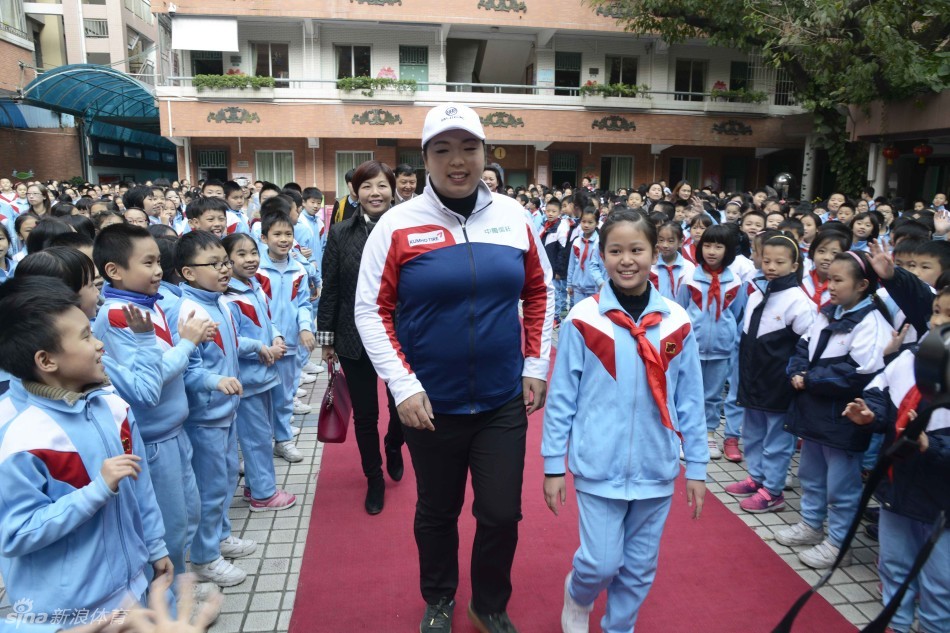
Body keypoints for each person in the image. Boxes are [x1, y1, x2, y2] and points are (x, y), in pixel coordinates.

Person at [354, 103, 554, 633]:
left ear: (486, 153)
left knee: (501, 513)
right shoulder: (397, 225)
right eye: (442, 150)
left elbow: (540, 291)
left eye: (468, 148)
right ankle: (439, 597)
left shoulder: (515, 217)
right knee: (438, 512)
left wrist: (536, 362)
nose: (457, 161)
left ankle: (488, 604)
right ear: (424, 159)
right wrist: (402, 384)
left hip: (501, 399)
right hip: (430, 404)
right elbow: (369, 310)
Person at [543, 209, 707, 633]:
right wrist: (552, 464)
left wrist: (699, 466)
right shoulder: (584, 318)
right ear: (602, 255)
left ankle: (619, 628)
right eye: (616, 250)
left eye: (637, 249)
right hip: (599, 465)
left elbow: (690, 400)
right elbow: (562, 399)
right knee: (600, 562)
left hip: (656, 467)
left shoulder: (677, 321)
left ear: (656, 254)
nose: (627, 259)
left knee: (638, 568)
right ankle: (578, 595)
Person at [0, 277, 171, 616]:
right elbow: (16, 534)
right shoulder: (25, 438)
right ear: (46, 361)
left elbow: (142, 489)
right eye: (86, 337)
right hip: (71, 610)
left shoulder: (114, 408)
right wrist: (96, 491)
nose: (99, 345)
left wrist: (155, 546)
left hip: (132, 587)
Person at [92, 224, 216, 583]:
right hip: (154, 438)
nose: (158, 271)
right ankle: (168, 604)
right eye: (147, 263)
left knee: (187, 515)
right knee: (168, 529)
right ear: (114, 270)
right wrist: (188, 343)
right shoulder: (120, 315)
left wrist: (187, 343)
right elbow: (148, 387)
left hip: (172, 430)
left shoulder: (145, 304)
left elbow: (163, 364)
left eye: (159, 261)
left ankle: (177, 591)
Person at [843, 288, 950, 633]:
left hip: (942, 504)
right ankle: (896, 624)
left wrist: (930, 445)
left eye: (949, 315)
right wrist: (869, 415)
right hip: (898, 489)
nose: (939, 321)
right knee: (894, 567)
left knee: (941, 583)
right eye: (937, 311)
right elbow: (881, 395)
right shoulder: (908, 359)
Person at [782, 251, 892, 568]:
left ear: (863, 286)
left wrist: (809, 379)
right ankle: (811, 524)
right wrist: (796, 372)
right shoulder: (828, 311)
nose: (830, 286)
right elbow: (803, 345)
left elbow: (858, 372)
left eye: (839, 280)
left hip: (842, 418)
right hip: (813, 411)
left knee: (842, 487)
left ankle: (838, 543)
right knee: (811, 474)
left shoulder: (871, 322)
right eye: (829, 279)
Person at [165, 231, 256, 588]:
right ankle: (204, 557)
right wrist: (214, 382)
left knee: (225, 478)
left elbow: (230, 345)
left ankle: (219, 535)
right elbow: (187, 368)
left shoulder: (220, 301)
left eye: (225, 262)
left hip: (225, 411)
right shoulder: (188, 311)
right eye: (215, 264)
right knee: (209, 487)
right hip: (205, 416)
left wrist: (260, 346)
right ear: (188, 273)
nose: (224, 269)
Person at [317, 160, 405, 515]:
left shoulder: (409, 229)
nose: (375, 193)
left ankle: (395, 444)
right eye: (366, 186)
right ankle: (373, 477)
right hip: (355, 337)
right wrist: (328, 338)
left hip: (403, 335)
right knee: (365, 415)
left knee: (402, 405)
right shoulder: (339, 234)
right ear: (354, 191)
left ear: (393, 189)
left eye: (381, 185)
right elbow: (332, 288)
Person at [726, 234, 814, 512]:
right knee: (752, 434)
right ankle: (757, 478)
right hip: (753, 381)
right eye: (766, 260)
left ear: (794, 264)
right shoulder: (757, 292)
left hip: (779, 385)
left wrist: (793, 376)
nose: (771, 266)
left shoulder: (799, 301)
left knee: (777, 441)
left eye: (780, 262)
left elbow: (807, 346)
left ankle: (773, 491)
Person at [221, 233, 296, 511]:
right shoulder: (228, 298)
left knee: (260, 436)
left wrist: (275, 338)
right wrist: (262, 347)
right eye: (241, 254)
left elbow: (268, 320)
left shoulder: (253, 287)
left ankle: (256, 486)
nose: (250, 259)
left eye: (253, 252)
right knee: (255, 438)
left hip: (262, 375)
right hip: (247, 379)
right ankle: (264, 495)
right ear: (226, 261)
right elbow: (230, 340)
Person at [677, 224, 745, 460]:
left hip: (721, 349)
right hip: (692, 347)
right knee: (688, 392)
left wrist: (727, 336)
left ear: (728, 250)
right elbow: (681, 310)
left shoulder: (735, 281)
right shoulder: (689, 278)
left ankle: (708, 434)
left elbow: (737, 315)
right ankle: (685, 435)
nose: (712, 251)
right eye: (707, 245)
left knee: (713, 396)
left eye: (719, 246)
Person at [256, 210, 315, 462]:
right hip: (264, 345)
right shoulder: (256, 270)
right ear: (263, 237)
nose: (283, 239)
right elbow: (258, 309)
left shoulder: (299, 270)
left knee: (284, 395)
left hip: (290, 344)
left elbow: (303, 303)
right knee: (260, 399)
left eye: (288, 234)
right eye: (277, 234)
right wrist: (274, 334)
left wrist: (304, 327)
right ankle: (259, 445)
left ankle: (282, 440)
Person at [801, 229, 850, 312]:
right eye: (821, 251)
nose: (826, 257)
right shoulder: (801, 281)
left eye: (834, 253)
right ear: (813, 253)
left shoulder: (846, 289)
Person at [541, 197, 571, 323]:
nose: (550, 213)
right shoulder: (546, 226)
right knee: (551, 293)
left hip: (555, 268)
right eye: (548, 211)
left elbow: (563, 251)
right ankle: (553, 314)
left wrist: (559, 270)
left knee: (557, 293)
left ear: (559, 213)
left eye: (554, 211)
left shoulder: (561, 227)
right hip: (547, 266)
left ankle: (556, 317)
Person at [566, 209, 605, 304]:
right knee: (579, 314)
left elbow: (602, 266)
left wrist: (602, 284)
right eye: (583, 222)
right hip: (578, 286)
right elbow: (572, 264)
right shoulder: (577, 242)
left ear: (596, 224)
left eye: (590, 222)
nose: (586, 225)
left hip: (594, 287)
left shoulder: (599, 242)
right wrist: (569, 284)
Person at [651, 221, 695, 300]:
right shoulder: (650, 265)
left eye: (670, 241)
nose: (665, 245)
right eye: (661, 240)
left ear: (681, 242)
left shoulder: (688, 268)